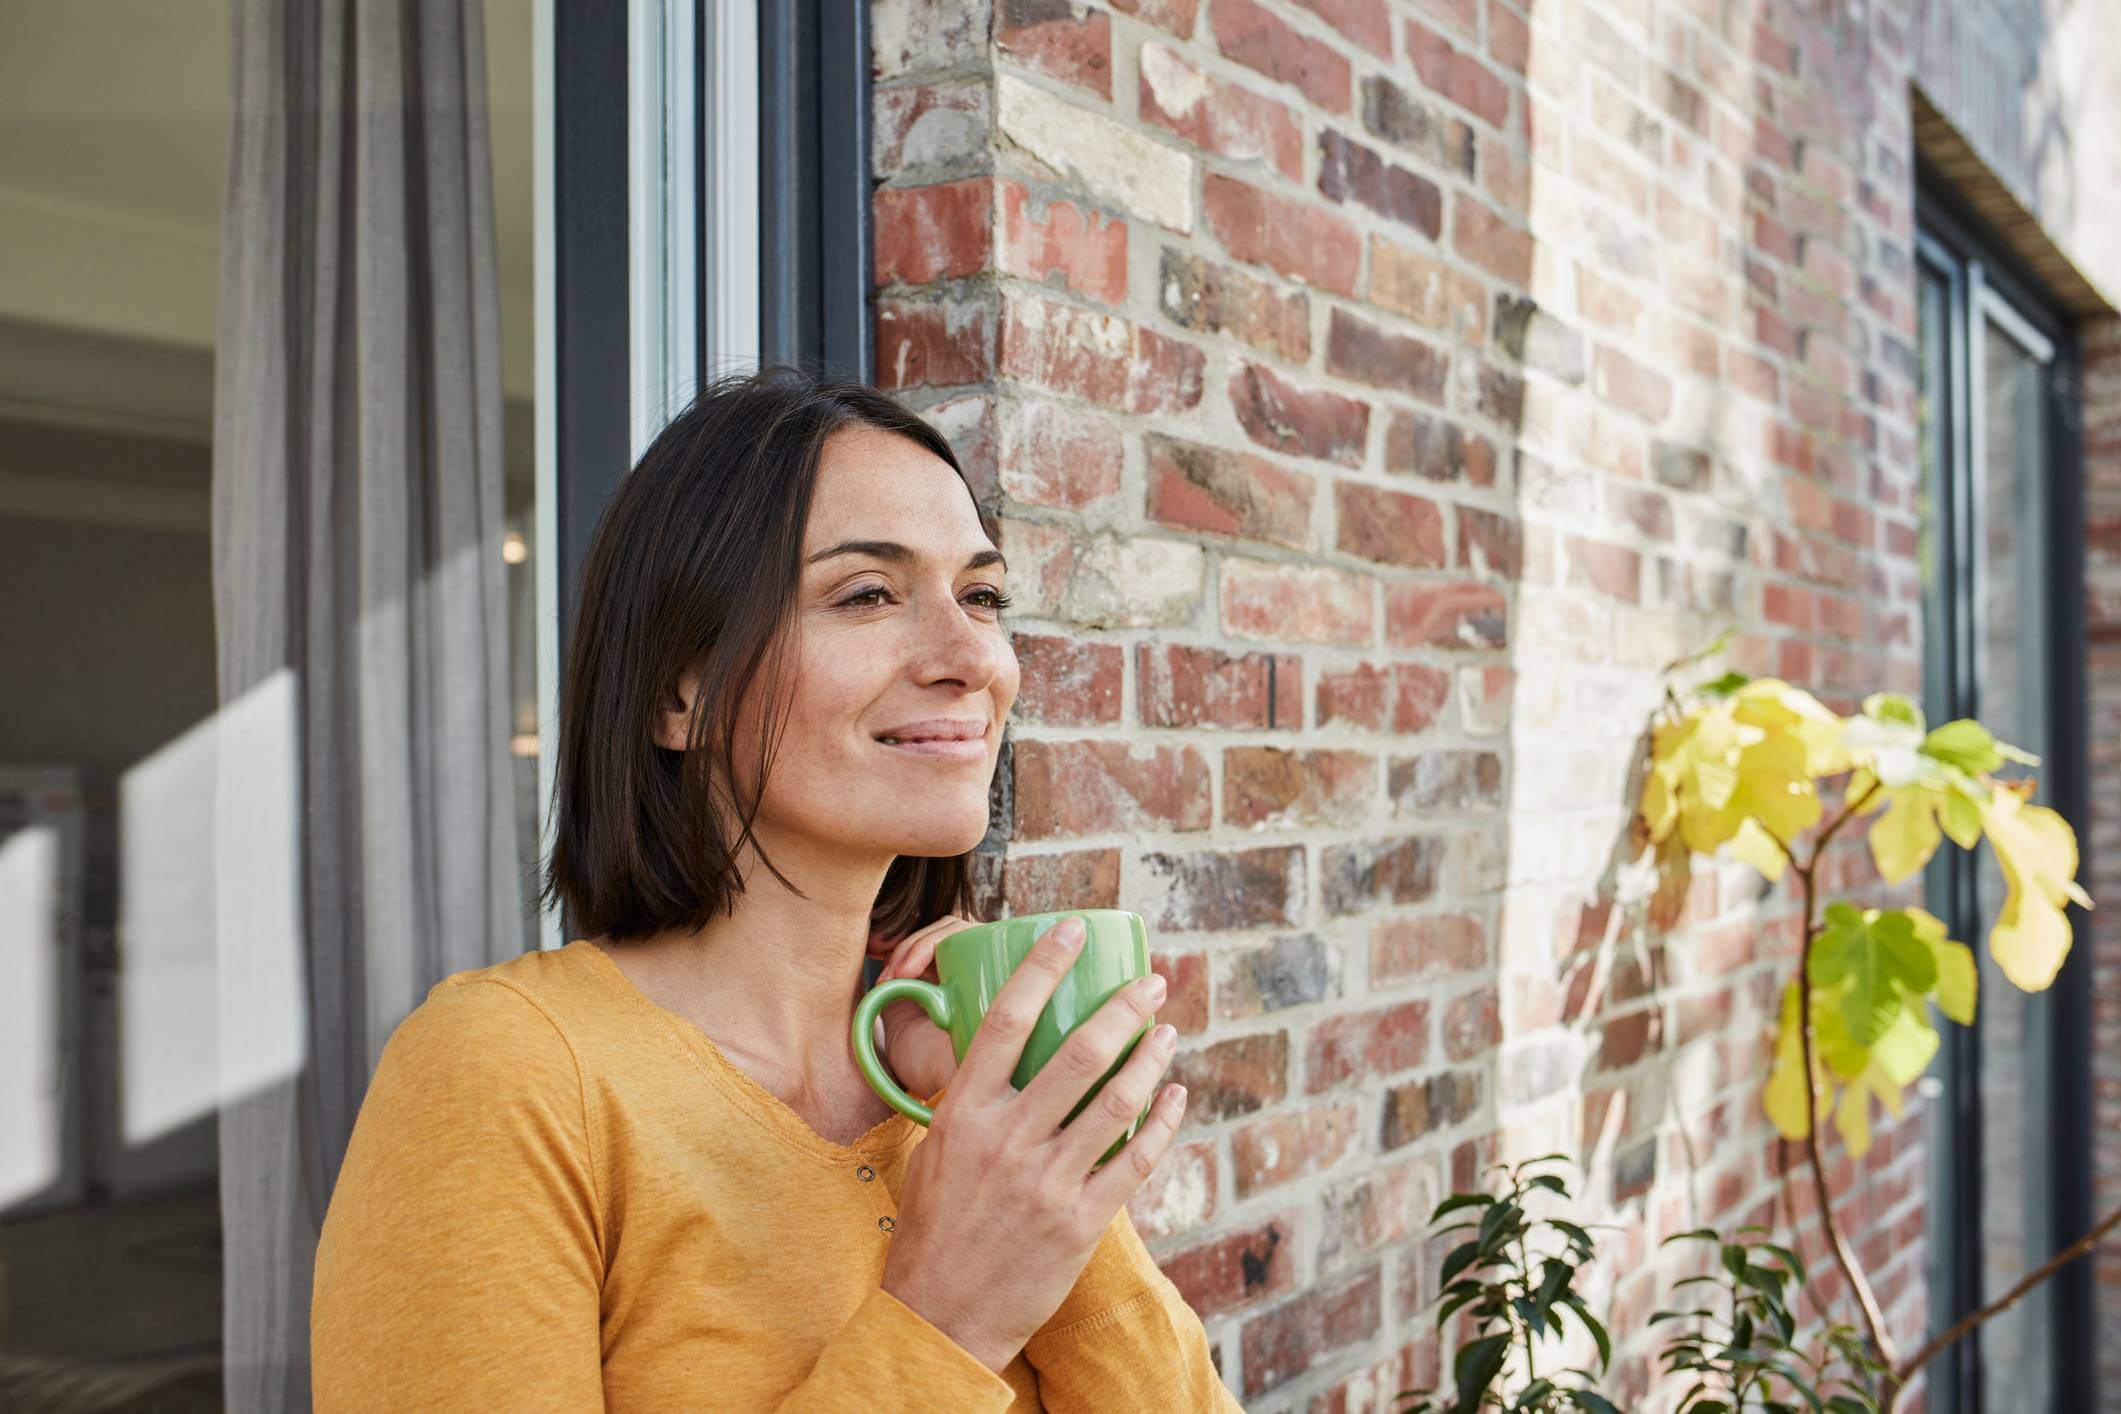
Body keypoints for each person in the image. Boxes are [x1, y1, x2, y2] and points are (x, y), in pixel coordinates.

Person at [309, 367, 1240, 1410]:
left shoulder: (943, 1081)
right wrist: (947, 1318)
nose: (971, 654)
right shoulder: (510, 1073)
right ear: (680, 691)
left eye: (981, 595)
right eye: (868, 594)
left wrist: (1039, 1159)